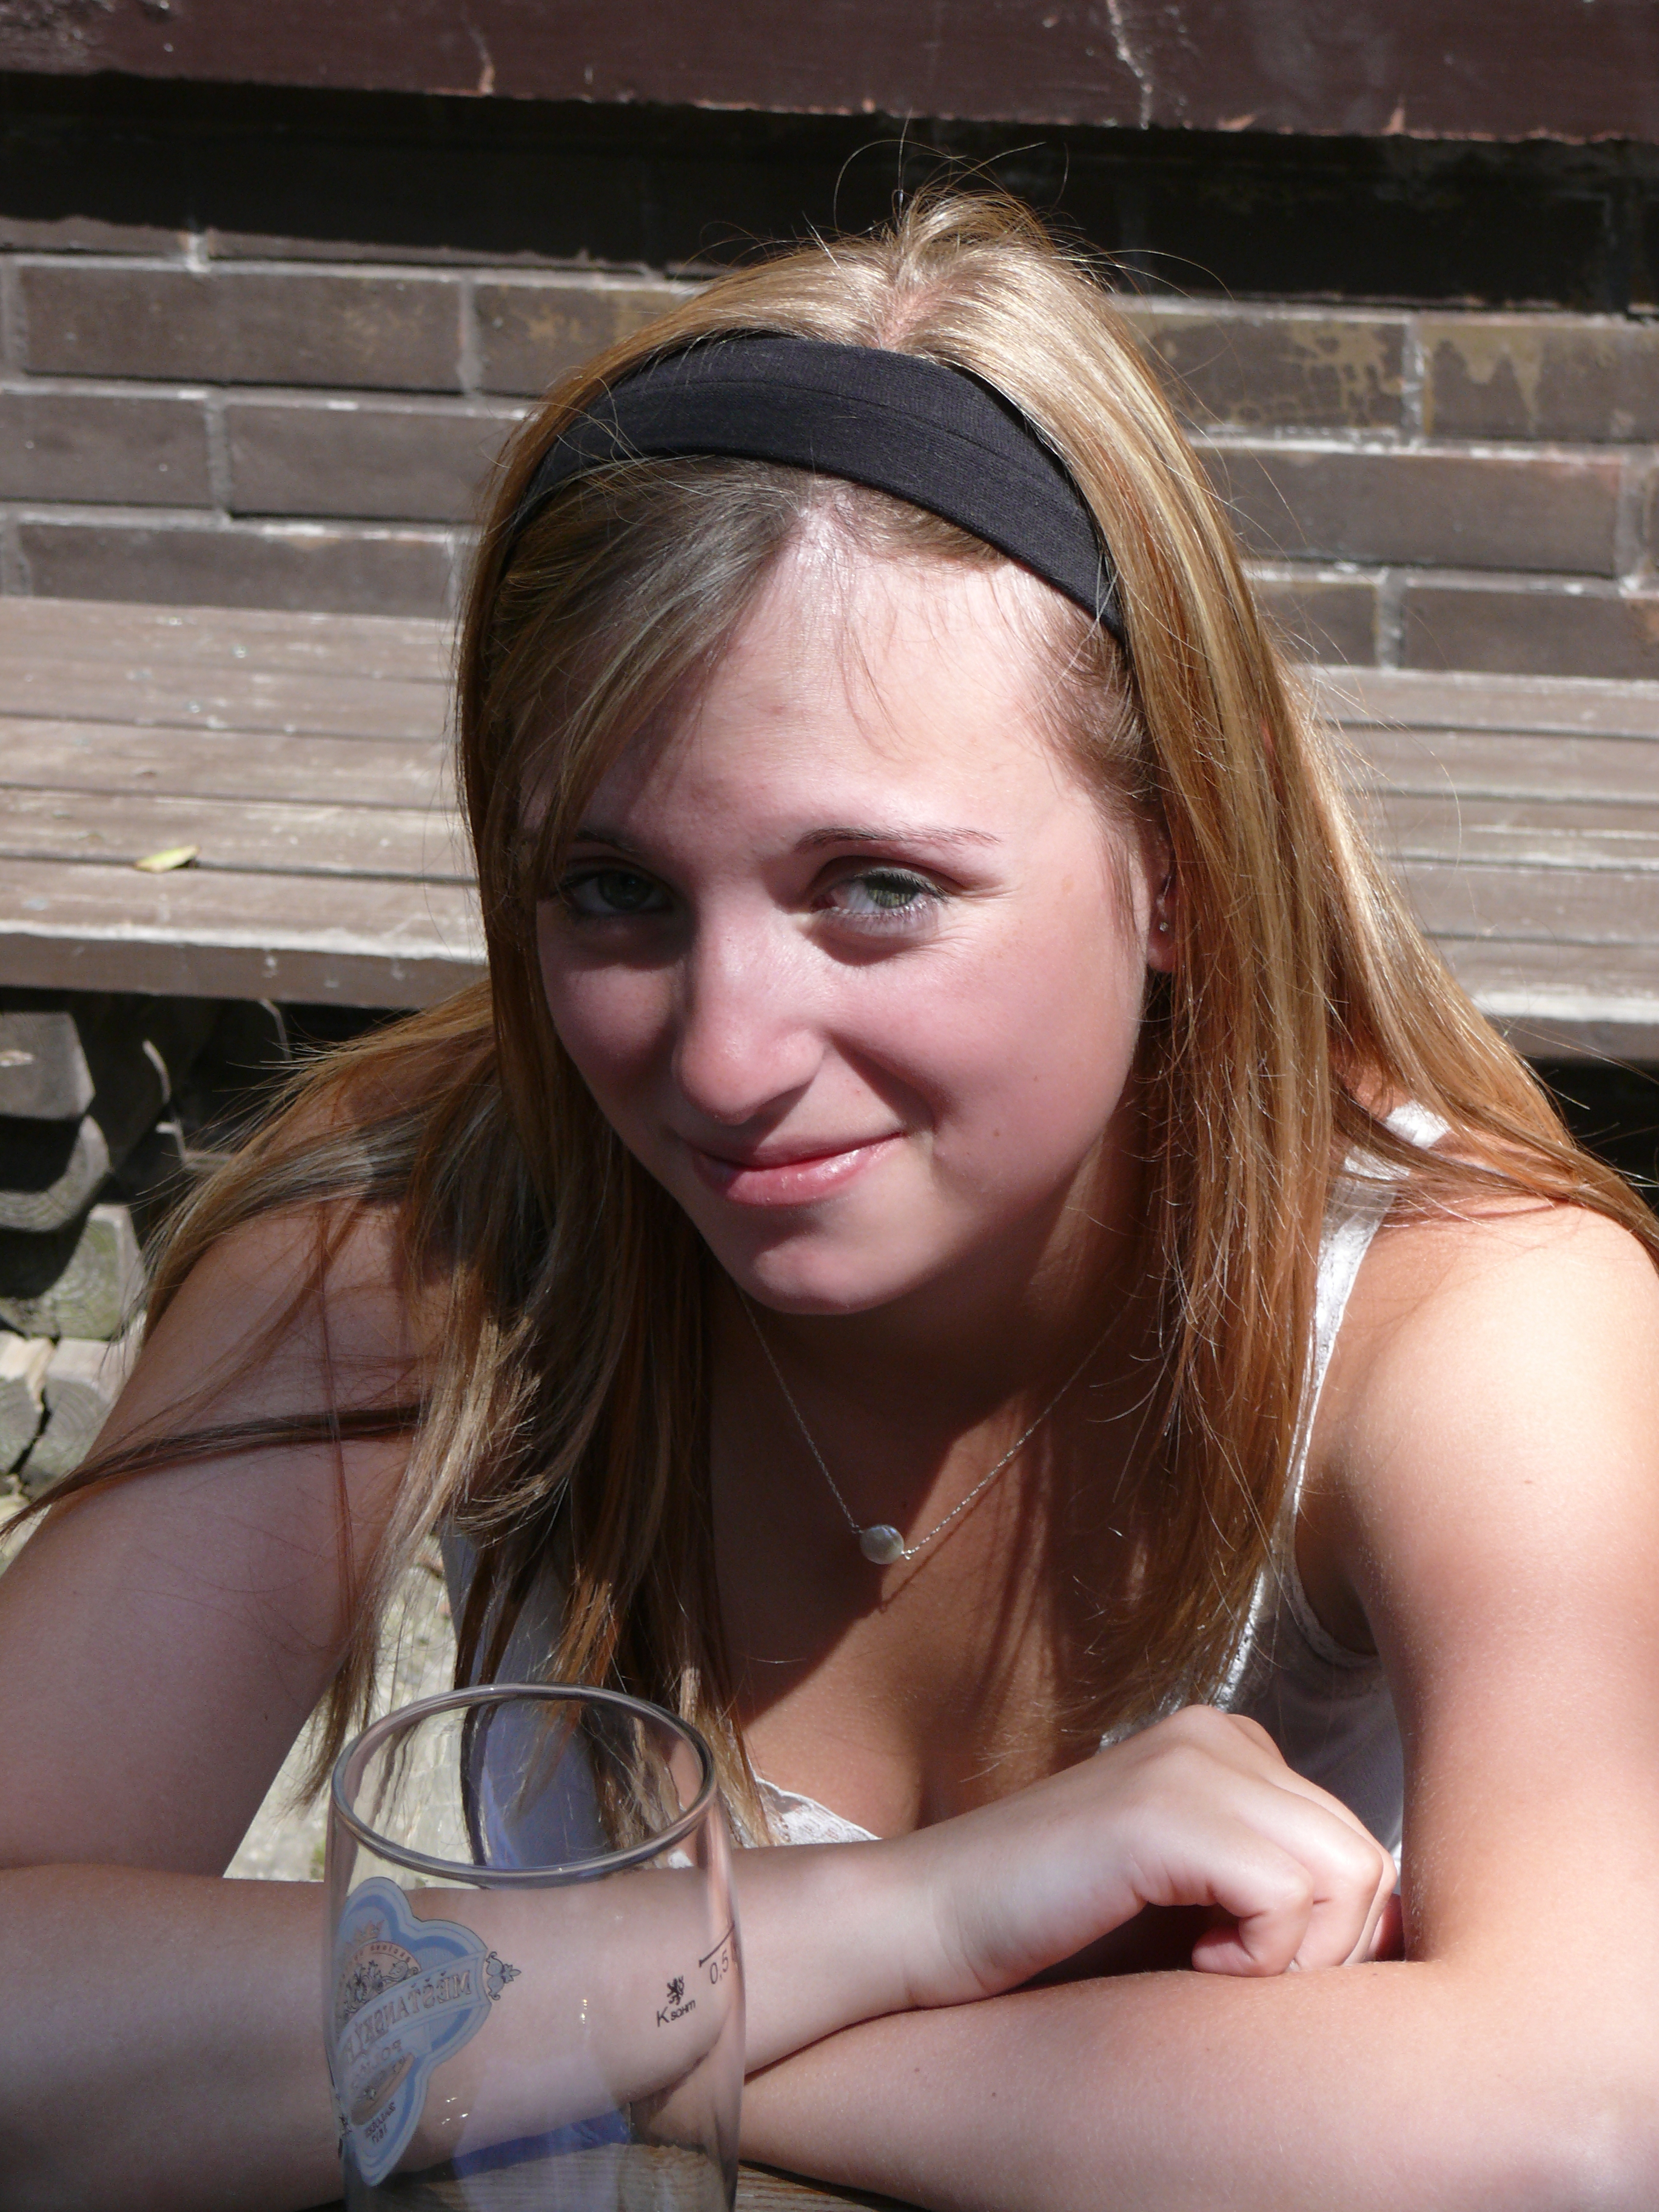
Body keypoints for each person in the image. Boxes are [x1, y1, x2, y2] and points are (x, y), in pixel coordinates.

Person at [4, 188, 1658, 2211]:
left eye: (877, 889)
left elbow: (1585, 2116)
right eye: (615, 892)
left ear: (1182, 867)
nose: (720, 1058)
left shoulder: (1468, 1313)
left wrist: (600, 2045)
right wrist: (907, 1920)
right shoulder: (428, 1233)